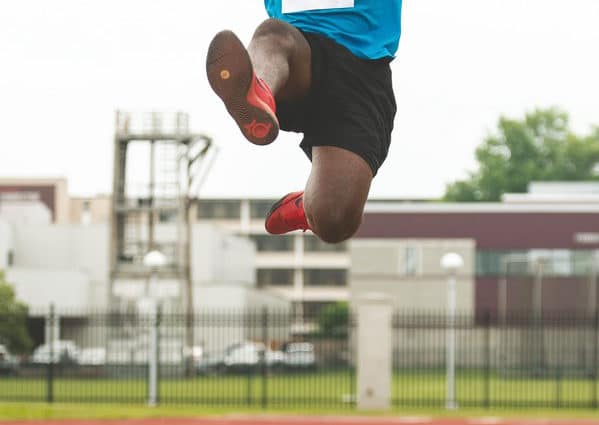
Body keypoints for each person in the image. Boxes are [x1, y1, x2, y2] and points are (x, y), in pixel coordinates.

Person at [206, 0, 402, 243]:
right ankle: (257, 91)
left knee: (335, 219)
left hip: (362, 68)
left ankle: (308, 205)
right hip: (297, 54)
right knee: (272, 36)